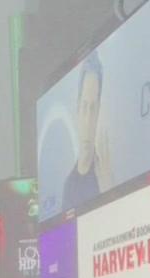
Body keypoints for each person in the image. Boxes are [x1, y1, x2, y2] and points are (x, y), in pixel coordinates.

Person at [62, 51, 110, 211]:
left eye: (94, 107)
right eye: (84, 107)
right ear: (77, 109)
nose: (88, 119)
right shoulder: (68, 187)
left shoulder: (105, 176)